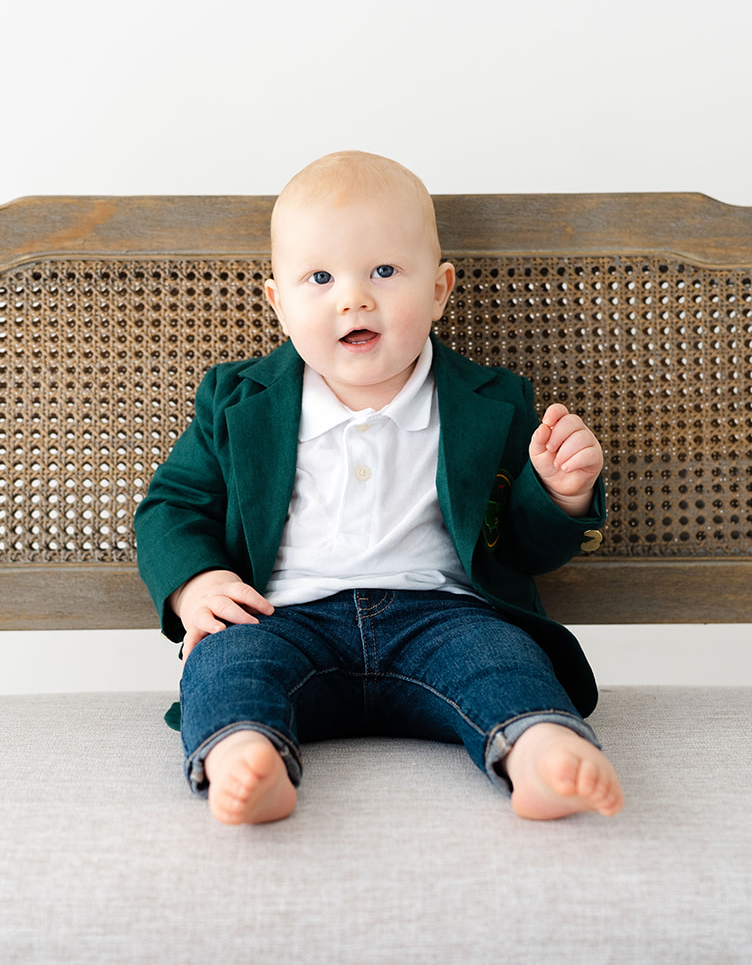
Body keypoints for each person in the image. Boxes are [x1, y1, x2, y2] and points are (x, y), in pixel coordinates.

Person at [134, 151, 623, 824]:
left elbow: (521, 546)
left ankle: (540, 750)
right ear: (278, 301)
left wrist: (561, 493)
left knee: (504, 658)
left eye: (385, 271)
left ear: (440, 289)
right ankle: (246, 756)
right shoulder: (237, 401)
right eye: (321, 277)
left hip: (443, 616)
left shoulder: (492, 404)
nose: (353, 297)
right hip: (283, 618)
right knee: (225, 662)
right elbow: (173, 505)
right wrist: (196, 584)